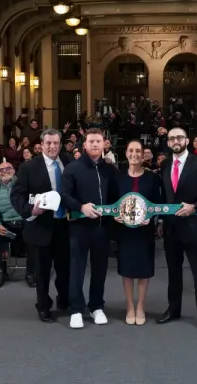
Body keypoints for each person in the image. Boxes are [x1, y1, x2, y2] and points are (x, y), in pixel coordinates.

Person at [157, 127, 197, 332]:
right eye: (172, 138)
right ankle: (174, 309)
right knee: (173, 273)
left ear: (187, 140)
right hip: (171, 229)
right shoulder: (165, 165)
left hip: (193, 228)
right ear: (168, 142)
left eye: (179, 137)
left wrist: (194, 206)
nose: (176, 141)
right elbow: (164, 197)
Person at [61, 128, 119, 329]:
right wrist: (80, 206)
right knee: (76, 269)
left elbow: (115, 197)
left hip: (102, 228)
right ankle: (76, 309)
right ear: (84, 145)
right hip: (79, 227)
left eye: (98, 141)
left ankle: (96, 306)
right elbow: (64, 196)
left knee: (100, 269)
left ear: (105, 144)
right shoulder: (72, 168)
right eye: (91, 141)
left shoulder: (111, 170)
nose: (95, 145)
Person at [11, 129, 71, 322]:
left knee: (65, 270)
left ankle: (64, 300)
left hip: (65, 226)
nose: (52, 146)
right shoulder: (29, 167)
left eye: (56, 143)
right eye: (48, 143)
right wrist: (30, 210)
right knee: (42, 272)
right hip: (39, 227)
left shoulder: (69, 163)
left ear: (60, 144)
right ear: (41, 146)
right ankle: (43, 306)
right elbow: (17, 195)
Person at [115, 140, 161, 325]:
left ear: (143, 155)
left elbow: (157, 203)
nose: (134, 154)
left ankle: (141, 306)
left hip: (144, 230)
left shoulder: (152, 178)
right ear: (126, 153)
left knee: (143, 270)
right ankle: (129, 306)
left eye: (138, 151)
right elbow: (113, 203)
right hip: (124, 230)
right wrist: (114, 216)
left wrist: (152, 216)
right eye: (131, 150)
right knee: (127, 269)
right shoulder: (118, 177)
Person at [0, 161, 35, 289]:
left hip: (23, 222)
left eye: (8, 168)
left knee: (34, 237)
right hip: (6, 225)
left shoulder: (23, 185)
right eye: (1, 170)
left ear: (14, 171)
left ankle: (31, 272)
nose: (4, 171)